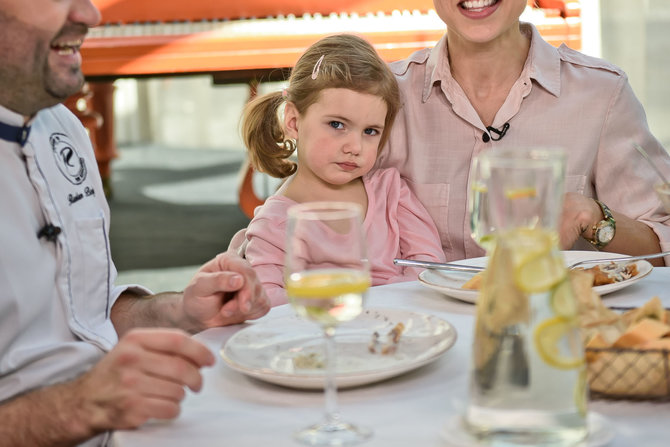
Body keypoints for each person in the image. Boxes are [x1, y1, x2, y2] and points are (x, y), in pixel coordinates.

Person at [0, 1, 270, 446]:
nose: (90, 14)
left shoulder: (63, 128)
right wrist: (77, 407)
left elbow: (83, 315)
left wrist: (178, 311)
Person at [376, 0, 670, 266]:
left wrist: (592, 216)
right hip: (420, 323)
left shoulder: (604, 94)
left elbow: (663, 251)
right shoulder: (382, 98)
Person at [240, 34, 446, 305]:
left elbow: (429, 267)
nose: (355, 146)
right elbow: (266, 303)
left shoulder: (390, 191)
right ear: (293, 122)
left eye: (370, 131)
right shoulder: (274, 223)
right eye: (337, 125)